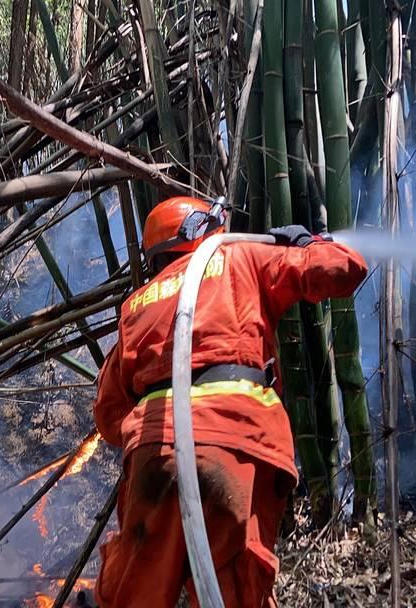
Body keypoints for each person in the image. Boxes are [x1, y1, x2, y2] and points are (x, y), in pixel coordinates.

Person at [93, 196, 368, 607]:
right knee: (239, 587)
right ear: (205, 232)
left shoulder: (137, 304)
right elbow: (344, 268)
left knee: (136, 590)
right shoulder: (239, 257)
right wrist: (305, 244)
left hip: (154, 455)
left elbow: (109, 415)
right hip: (237, 443)